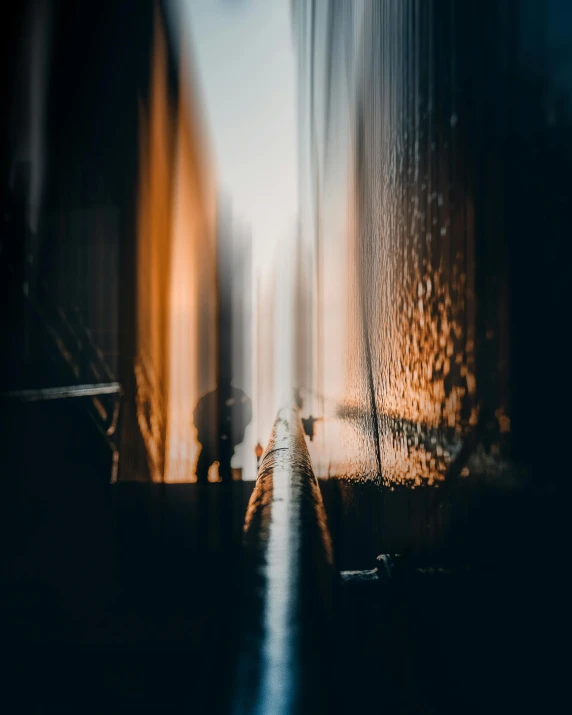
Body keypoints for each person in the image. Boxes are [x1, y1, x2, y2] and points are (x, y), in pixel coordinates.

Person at [193, 379, 252, 484]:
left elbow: (197, 416)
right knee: (216, 468)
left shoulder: (208, 398)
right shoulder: (238, 396)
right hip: (216, 439)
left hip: (216, 439)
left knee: (208, 469)